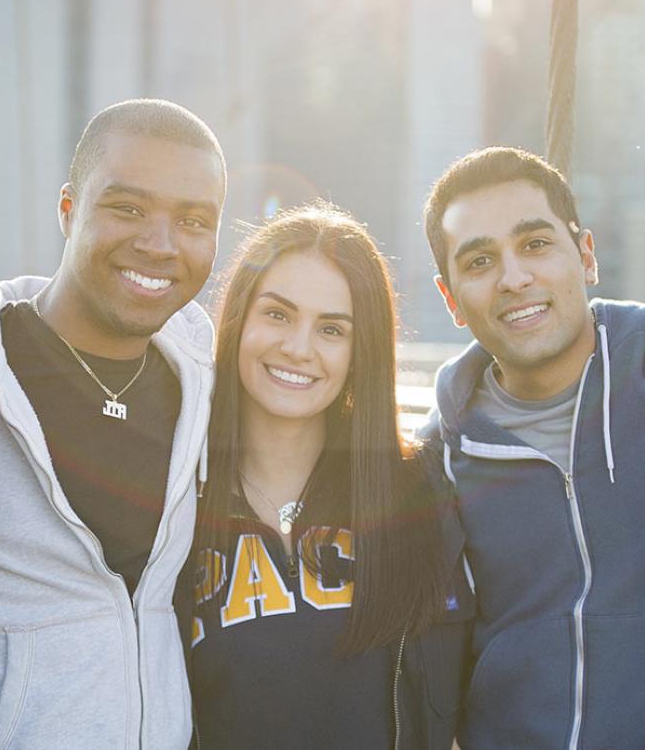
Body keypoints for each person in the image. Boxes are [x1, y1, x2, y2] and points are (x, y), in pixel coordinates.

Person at [419, 147, 645, 748]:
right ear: (451, 298)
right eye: (481, 261)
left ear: (586, 254)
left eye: (536, 244)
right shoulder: (438, 458)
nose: (515, 278)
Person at [0, 98, 225, 749]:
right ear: (68, 210)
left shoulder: (210, 385)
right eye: (129, 208)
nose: (160, 244)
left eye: (193, 220)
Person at [186, 201, 472, 750]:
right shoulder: (173, 497)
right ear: (238, 319)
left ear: (360, 351)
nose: (298, 348)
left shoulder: (421, 491)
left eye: (332, 330)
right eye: (277, 314)